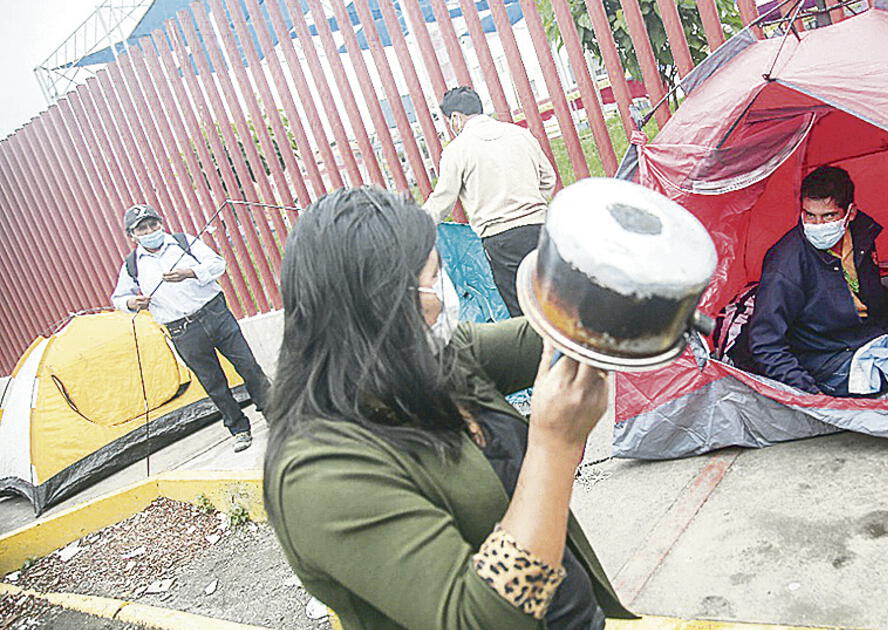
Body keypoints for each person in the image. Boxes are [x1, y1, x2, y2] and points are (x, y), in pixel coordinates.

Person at [264, 187, 635, 629]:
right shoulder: (320, 476)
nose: (448, 292)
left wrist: (609, 290)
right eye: (434, 278)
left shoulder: (427, 357)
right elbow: (475, 621)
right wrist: (554, 444)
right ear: (380, 306)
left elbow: (550, 333)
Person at [110, 204, 271, 452]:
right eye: (142, 228)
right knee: (213, 383)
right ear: (132, 236)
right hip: (182, 331)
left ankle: (275, 415)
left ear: (161, 224)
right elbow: (119, 298)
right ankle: (239, 430)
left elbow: (218, 264)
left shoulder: (184, 242)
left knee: (248, 366)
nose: (150, 230)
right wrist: (133, 302)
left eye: (153, 224)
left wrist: (191, 273)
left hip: (215, 314)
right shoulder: (133, 265)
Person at [747, 166, 888, 397]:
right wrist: (811, 394)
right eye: (810, 215)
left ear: (851, 213)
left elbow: (870, 293)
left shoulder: (861, 234)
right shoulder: (786, 264)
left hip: (868, 333)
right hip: (825, 357)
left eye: (828, 216)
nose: (818, 225)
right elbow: (766, 344)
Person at [422, 86, 556, 316]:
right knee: (555, 298)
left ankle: (538, 351)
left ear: (455, 118)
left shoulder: (457, 150)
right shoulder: (520, 134)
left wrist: (415, 225)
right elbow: (548, 178)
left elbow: (443, 201)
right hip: (540, 228)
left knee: (523, 310)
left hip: (501, 238)